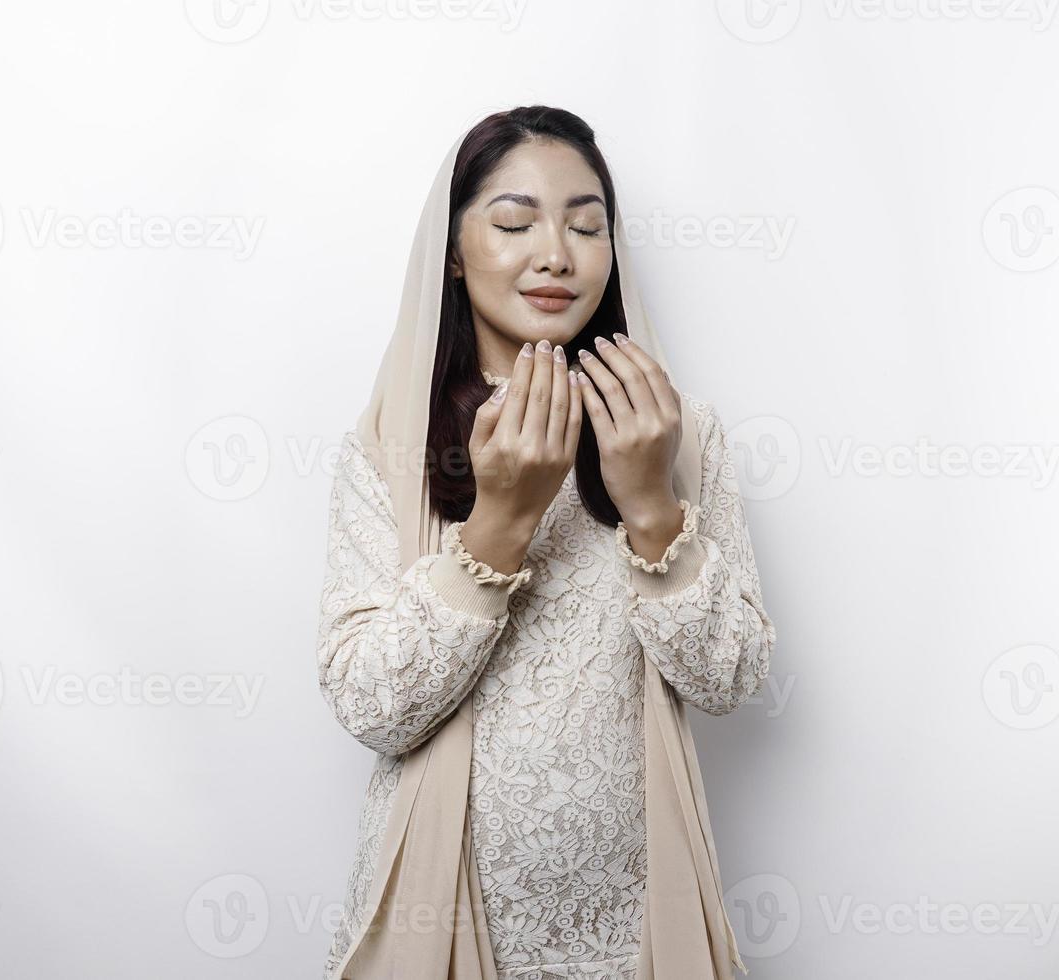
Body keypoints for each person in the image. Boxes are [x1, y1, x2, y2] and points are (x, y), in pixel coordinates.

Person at [317, 105, 777, 980]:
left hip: (638, 919)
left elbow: (731, 678)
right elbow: (373, 707)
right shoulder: (391, 444)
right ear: (453, 250)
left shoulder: (679, 436)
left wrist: (650, 501)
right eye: (515, 221)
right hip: (441, 914)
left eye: (587, 225)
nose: (557, 254)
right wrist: (499, 525)